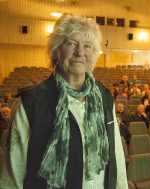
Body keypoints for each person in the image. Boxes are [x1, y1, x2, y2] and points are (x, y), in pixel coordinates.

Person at [0, 15, 127, 189]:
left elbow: (116, 158)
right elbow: (12, 175)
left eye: (87, 46)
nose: (80, 52)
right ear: (56, 50)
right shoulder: (31, 104)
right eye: (72, 43)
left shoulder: (104, 97)